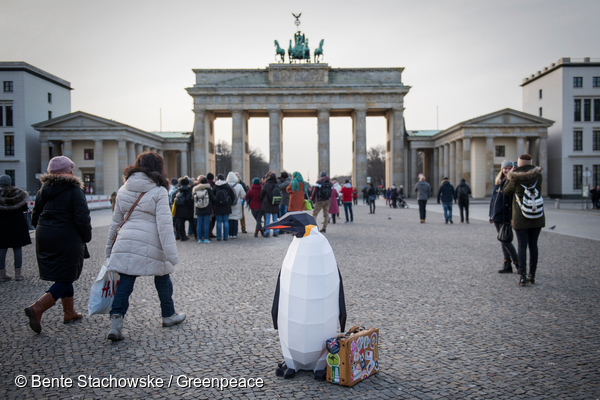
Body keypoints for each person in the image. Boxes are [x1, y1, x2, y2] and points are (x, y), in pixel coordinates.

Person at [105, 151, 184, 341]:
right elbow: (164, 226)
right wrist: (172, 255)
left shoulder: (123, 189)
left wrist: (108, 248)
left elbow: (115, 222)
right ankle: (168, 315)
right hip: (152, 240)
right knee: (163, 278)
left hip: (126, 239)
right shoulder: (158, 191)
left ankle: (116, 322)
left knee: (125, 281)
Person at [25, 156, 92, 334]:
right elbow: (82, 218)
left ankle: (69, 312)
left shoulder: (43, 190)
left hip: (45, 235)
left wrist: (45, 230)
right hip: (67, 237)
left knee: (63, 272)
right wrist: (86, 236)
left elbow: (34, 216)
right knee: (67, 275)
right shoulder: (74, 190)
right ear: (69, 171)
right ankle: (38, 307)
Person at [503, 154, 545, 286]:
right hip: (536, 214)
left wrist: (511, 176)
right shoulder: (538, 175)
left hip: (521, 216)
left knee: (522, 245)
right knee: (533, 245)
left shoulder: (515, 177)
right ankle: (532, 275)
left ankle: (522, 275)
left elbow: (506, 191)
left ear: (519, 164)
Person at [489, 160, 519, 274]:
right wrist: (490, 214)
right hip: (496, 215)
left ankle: (518, 263)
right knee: (502, 240)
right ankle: (507, 264)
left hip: (506, 216)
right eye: (505, 168)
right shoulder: (499, 182)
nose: (506, 170)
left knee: (506, 240)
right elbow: (493, 200)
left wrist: (512, 218)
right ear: (502, 170)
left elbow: (513, 202)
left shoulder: (512, 182)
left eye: (509, 168)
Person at [0, 175, 31, 282]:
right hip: (17, 224)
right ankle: (18, 274)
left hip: (2, 225)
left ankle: (2, 273)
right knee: (17, 248)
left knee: (2, 249)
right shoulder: (19, 193)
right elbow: (24, 208)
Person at [213, 174, 236, 241]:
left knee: (219, 222)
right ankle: (225, 237)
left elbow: (212, 196)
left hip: (217, 206)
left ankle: (219, 237)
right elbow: (233, 196)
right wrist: (230, 202)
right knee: (226, 221)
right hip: (226, 206)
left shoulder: (215, 187)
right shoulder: (227, 186)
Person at [173, 177, 196, 241]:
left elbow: (173, 199)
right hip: (187, 209)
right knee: (192, 223)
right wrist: (191, 206)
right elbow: (189, 199)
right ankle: (196, 235)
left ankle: (182, 236)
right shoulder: (189, 190)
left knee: (181, 223)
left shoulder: (178, 190)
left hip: (179, 209)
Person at [193, 176, 215, 243]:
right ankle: (206, 238)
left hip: (198, 207)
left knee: (199, 223)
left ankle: (199, 238)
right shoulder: (208, 189)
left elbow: (192, 198)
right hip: (207, 207)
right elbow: (212, 198)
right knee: (206, 223)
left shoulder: (196, 189)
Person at [260, 172, 281, 237]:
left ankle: (267, 231)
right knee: (275, 219)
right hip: (275, 203)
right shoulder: (277, 185)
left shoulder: (266, 185)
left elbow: (262, 194)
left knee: (267, 219)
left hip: (267, 203)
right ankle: (275, 231)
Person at [227, 171, 246, 239]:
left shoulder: (226, 185)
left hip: (228, 205)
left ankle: (230, 233)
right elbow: (243, 195)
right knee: (235, 220)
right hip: (236, 205)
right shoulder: (238, 186)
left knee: (229, 220)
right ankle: (234, 234)